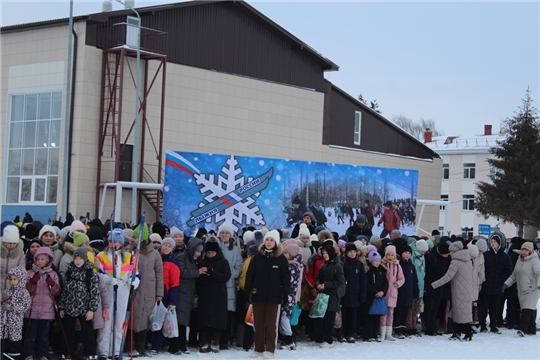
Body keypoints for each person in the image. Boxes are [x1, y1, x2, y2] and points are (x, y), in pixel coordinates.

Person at [245, 230, 290, 359]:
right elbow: (250, 275)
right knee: (258, 324)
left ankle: (270, 349)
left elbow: (286, 279)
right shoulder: (257, 257)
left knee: (271, 325)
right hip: (258, 295)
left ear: (276, 242)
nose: (269, 242)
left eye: (271, 240)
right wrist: (248, 291)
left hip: (274, 297)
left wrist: (285, 295)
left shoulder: (281, 259)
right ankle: (258, 348)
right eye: (267, 240)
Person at [95, 228, 136, 360]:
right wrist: (107, 279)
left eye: (117, 242)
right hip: (107, 290)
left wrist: (134, 281)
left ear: (122, 243)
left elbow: (135, 273)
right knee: (106, 321)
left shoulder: (129, 257)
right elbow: (98, 273)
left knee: (119, 322)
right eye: (111, 241)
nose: (114, 244)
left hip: (123, 289)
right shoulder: (101, 256)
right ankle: (103, 350)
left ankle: (116, 350)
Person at [59, 247, 100, 359]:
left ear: (85, 259)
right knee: (67, 332)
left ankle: (90, 353)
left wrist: (92, 309)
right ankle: (67, 353)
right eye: (76, 258)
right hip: (70, 307)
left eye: (80, 258)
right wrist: (62, 307)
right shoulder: (70, 272)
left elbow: (95, 293)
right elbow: (65, 291)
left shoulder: (90, 274)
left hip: (84, 308)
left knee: (88, 333)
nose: (78, 261)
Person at [131, 224, 164, 356]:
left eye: (135, 237)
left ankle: (141, 347)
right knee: (133, 317)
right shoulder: (132, 252)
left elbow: (159, 274)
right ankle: (130, 346)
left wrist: (159, 293)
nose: (132, 240)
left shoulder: (155, 254)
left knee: (145, 318)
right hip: (134, 290)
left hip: (149, 291)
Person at [23, 247, 61, 360]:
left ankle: (42, 354)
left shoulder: (52, 274)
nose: (40, 261)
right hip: (32, 309)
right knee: (30, 335)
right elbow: (26, 290)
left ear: (48, 261)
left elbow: (56, 291)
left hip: (46, 310)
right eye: (38, 259)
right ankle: (28, 354)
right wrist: (32, 282)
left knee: (43, 336)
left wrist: (52, 284)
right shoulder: (30, 273)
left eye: (42, 259)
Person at [431, 241, 474, 341]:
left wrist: (434, 285)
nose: (449, 253)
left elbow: (448, 277)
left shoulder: (455, 262)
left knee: (461, 312)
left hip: (458, 290)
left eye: (451, 251)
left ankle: (468, 333)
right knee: (459, 312)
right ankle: (457, 332)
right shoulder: (468, 260)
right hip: (466, 289)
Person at [196, 236, 231, 353]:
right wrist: (201, 274)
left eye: (212, 252)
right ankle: (204, 342)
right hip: (205, 294)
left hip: (218, 295)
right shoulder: (202, 262)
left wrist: (213, 273)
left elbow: (226, 276)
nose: (210, 254)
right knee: (204, 319)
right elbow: (197, 278)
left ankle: (216, 342)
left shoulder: (223, 262)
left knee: (217, 320)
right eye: (208, 252)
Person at [171, 237, 203, 355]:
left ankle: (182, 344)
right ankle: (176, 345)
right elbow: (182, 272)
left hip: (188, 293)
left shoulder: (192, 259)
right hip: (182, 292)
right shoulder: (181, 257)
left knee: (184, 320)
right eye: (198, 251)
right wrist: (198, 272)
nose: (199, 254)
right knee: (179, 320)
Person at [503, 241, 540, 337]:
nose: (524, 252)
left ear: (530, 251)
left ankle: (522, 329)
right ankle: (531, 328)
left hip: (532, 288)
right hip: (522, 288)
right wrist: (506, 284)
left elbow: (538, 274)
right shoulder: (520, 260)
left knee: (526, 309)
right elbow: (514, 275)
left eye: (526, 250)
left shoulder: (535, 260)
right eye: (523, 249)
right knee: (530, 308)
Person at [216, 221, 243, 349]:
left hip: (229, 285)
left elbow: (239, 266)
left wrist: (231, 276)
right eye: (222, 233)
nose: (224, 235)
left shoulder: (235, 249)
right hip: (216, 284)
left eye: (227, 233)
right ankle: (216, 338)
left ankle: (225, 340)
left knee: (227, 314)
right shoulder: (215, 247)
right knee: (217, 312)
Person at [479, 232, 512, 334]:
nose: (493, 243)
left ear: (499, 243)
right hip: (486, 285)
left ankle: (493, 325)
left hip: (497, 286)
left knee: (495, 307)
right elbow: (481, 268)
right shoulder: (486, 255)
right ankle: (483, 325)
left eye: (495, 242)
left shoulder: (505, 257)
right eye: (492, 241)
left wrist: (500, 279)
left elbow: (508, 270)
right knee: (484, 307)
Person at [1, 266, 31, 358]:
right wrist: (3, 303)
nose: (12, 281)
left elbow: (25, 306)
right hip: (4, 321)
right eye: (11, 279)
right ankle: (3, 354)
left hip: (16, 321)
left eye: (15, 279)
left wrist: (12, 306)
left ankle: (14, 356)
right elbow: (2, 302)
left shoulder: (24, 292)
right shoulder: (8, 291)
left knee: (14, 340)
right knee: (3, 338)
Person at [341, 243, 366, 343]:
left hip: (355, 294)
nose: (352, 254)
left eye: (354, 252)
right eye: (350, 252)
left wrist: (362, 295)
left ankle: (351, 333)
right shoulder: (343, 264)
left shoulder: (359, 265)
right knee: (344, 314)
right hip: (345, 293)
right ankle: (342, 333)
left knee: (353, 315)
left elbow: (363, 280)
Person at [279, 242, 303, 350]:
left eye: (286, 253)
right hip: (286, 294)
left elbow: (288, 281)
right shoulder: (288, 265)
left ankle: (289, 339)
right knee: (282, 317)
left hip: (288, 295)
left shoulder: (293, 267)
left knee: (285, 317)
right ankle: (284, 338)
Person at [379, 245, 404, 341]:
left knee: (390, 313)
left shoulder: (397, 265)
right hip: (384, 292)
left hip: (393, 293)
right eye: (388, 255)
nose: (390, 257)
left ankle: (388, 333)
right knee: (383, 314)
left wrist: (397, 285)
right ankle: (382, 332)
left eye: (391, 255)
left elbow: (402, 278)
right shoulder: (382, 264)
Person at [362, 251, 388, 342]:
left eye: (378, 261)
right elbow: (367, 283)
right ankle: (367, 334)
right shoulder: (368, 270)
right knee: (369, 316)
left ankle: (375, 333)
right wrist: (374, 292)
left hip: (379, 296)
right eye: (375, 261)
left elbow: (385, 283)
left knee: (377, 316)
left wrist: (383, 291)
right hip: (370, 296)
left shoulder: (382, 271)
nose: (377, 262)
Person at [394, 245, 418, 339]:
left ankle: (403, 329)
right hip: (400, 291)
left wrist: (415, 292)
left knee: (405, 312)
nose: (407, 255)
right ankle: (397, 329)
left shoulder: (411, 266)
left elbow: (414, 280)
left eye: (409, 253)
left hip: (409, 292)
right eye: (405, 253)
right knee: (398, 311)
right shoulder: (399, 264)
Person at [1, 225, 25, 291]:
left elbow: (21, 271)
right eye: (9, 243)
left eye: (14, 243)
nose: (12, 246)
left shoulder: (20, 253)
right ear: (4, 242)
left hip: (12, 289)